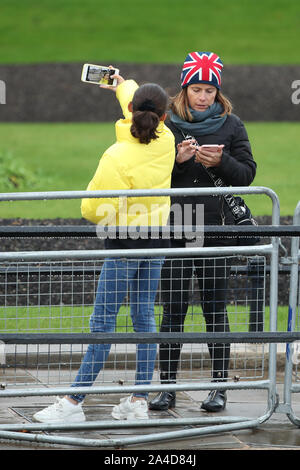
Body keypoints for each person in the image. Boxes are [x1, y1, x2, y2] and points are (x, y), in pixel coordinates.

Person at [33, 73, 175, 424]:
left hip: (124, 243)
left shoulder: (116, 155)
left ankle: (73, 402)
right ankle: (138, 399)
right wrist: (124, 83)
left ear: (131, 112)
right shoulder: (168, 140)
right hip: (156, 240)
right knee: (143, 317)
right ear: (164, 117)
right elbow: (137, 107)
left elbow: (92, 208)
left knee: (103, 322)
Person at [149, 51, 257, 413]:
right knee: (174, 309)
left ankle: (219, 388)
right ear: (184, 89)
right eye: (197, 89)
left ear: (217, 92)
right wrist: (176, 162)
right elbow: (150, 175)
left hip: (215, 230)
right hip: (177, 224)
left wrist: (221, 162)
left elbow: (246, 175)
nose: (203, 96)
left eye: (210, 90)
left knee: (215, 309)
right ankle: (167, 389)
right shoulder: (166, 125)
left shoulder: (232, 125)